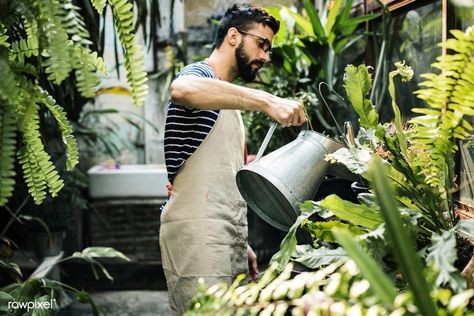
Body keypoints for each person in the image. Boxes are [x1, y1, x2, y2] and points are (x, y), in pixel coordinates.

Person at [159, 4, 306, 315]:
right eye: (262, 44)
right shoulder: (199, 75)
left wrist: (241, 240)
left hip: (227, 235)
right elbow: (181, 89)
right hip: (197, 233)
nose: (266, 57)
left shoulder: (229, 101)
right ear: (234, 36)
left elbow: (225, 180)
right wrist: (268, 101)